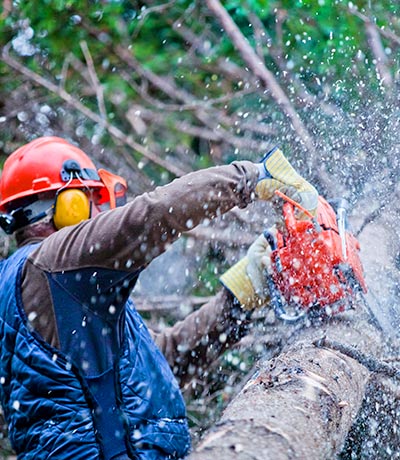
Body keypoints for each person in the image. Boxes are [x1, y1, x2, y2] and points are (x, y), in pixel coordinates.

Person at [0, 136, 318, 460]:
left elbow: (158, 365)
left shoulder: (53, 287)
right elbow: (151, 216)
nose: (99, 211)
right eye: (90, 199)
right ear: (69, 206)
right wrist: (253, 177)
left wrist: (240, 295)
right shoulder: (53, 264)